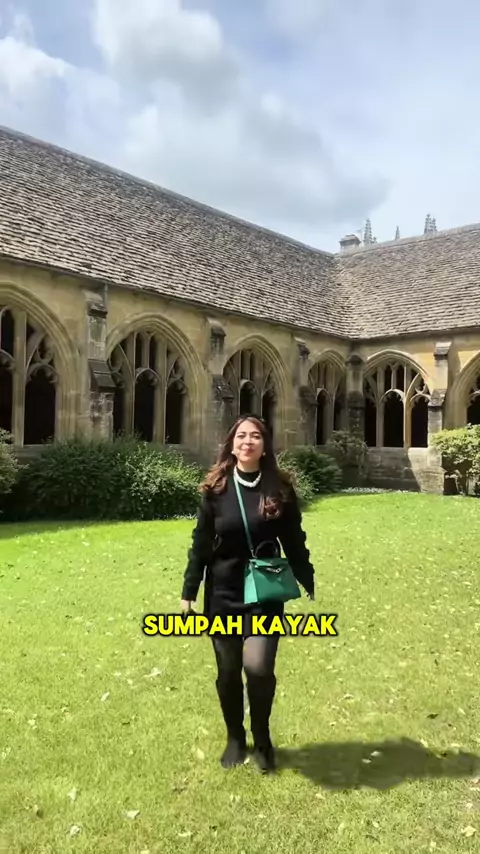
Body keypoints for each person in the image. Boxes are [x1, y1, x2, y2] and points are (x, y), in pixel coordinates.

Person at [180, 414, 315, 773]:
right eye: (241, 436)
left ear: (265, 445)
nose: (248, 442)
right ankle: (235, 738)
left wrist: (306, 576)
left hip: (264, 594)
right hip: (222, 594)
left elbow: (295, 540)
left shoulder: (279, 489)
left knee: (258, 667)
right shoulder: (215, 489)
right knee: (228, 671)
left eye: (255, 436)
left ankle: (262, 737)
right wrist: (189, 590)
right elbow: (200, 543)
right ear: (231, 444)